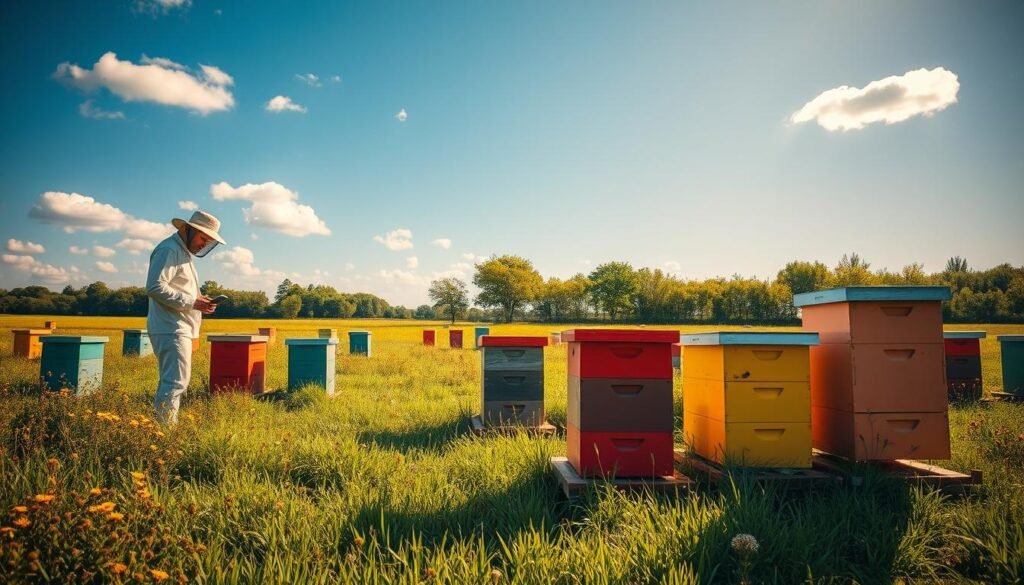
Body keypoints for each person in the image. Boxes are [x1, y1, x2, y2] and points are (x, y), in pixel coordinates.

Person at [146, 210, 226, 424]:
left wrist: (200, 300)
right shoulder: (169, 250)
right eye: (202, 238)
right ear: (188, 229)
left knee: (175, 382)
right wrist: (192, 302)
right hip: (170, 327)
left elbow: (179, 289)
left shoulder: (183, 254)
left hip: (176, 326)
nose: (204, 244)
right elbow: (154, 287)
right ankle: (164, 433)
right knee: (175, 383)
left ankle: (163, 429)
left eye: (208, 241)